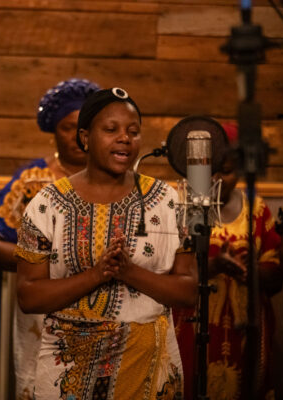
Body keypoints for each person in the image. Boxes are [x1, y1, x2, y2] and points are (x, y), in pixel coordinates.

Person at [15, 87, 197, 399]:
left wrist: (130, 272)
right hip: (68, 373)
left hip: (147, 368)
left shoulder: (169, 202)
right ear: (85, 138)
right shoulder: (47, 204)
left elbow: (189, 290)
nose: (125, 138)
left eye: (133, 132)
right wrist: (97, 274)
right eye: (111, 130)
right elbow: (29, 296)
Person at [0, 78, 100, 399]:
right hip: (42, 311)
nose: (77, 137)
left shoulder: (115, 182)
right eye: (67, 127)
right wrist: (45, 263)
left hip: (99, 308)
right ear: (53, 131)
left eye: (84, 128)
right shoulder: (32, 180)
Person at [173, 123, 283, 400]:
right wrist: (215, 266)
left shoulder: (256, 210)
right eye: (208, 170)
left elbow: (276, 276)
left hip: (245, 330)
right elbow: (168, 273)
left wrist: (252, 271)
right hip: (192, 327)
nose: (216, 179)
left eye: (226, 171)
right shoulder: (180, 208)